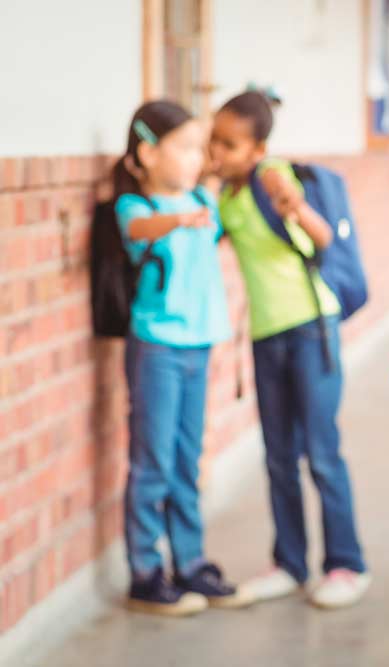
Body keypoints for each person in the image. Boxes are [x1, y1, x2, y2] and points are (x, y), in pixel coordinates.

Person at [208, 90, 369, 608]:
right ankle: (290, 562)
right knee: (278, 456)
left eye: (228, 144)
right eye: (213, 140)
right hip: (265, 337)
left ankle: (346, 565)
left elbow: (323, 239)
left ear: (257, 148)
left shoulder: (271, 174)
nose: (217, 151)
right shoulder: (227, 195)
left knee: (321, 453)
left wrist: (294, 204)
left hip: (309, 328)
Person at [113, 100, 249, 615]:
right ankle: (146, 572)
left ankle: (189, 563)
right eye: (186, 147)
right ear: (147, 153)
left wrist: (203, 197)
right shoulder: (136, 208)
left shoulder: (201, 198)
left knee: (187, 460)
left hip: (198, 348)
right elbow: (139, 231)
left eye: (200, 148)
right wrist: (179, 218)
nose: (197, 158)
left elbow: (212, 209)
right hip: (155, 349)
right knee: (153, 461)